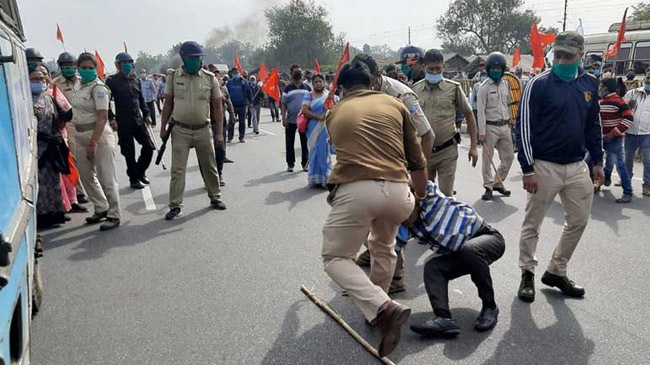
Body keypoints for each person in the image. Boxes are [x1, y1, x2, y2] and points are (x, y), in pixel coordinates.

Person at [322, 60, 428, 358]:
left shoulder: (335, 112)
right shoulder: (396, 105)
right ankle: (378, 313)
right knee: (383, 245)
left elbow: (341, 147)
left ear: (342, 88)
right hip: (398, 191)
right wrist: (419, 199)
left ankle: (384, 306)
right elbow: (417, 160)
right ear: (372, 83)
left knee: (335, 258)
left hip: (358, 190)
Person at [515, 32, 604, 302]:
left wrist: (598, 161)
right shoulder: (538, 84)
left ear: (581, 56)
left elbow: (593, 124)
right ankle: (527, 273)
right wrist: (528, 168)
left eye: (569, 56)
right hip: (544, 166)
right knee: (533, 222)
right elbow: (524, 128)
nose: (562, 60)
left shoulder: (590, 83)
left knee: (578, 221)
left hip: (577, 166)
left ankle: (556, 270)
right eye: (559, 55)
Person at [352, 53, 435, 293]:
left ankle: (396, 278)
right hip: (373, 161)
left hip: (399, 164)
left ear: (376, 77)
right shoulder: (360, 90)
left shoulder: (401, 96)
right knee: (370, 213)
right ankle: (373, 253)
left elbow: (427, 135)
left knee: (392, 221)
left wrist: (416, 175)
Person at [401, 181, 505, 337]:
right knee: (432, 266)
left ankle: (490, 307)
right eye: (399, 218)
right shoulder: (405, 226)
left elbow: (417, 177)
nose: (404, 221)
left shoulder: (429, 197)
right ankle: (443, 318)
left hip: (487, 238)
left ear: (414, 203)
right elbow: (387, 255)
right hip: (460, 252)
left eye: (405, 214)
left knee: (469, 250)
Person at [159, 41, 226, 220]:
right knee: (178, 170)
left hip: (203, 129)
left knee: (210, 166)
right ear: (183, 58)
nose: (196, 61)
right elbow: (168, 103)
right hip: (180, 130)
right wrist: (163, 127)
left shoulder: (209, 78)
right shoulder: (173, 77)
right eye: (192, 58)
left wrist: (219, 132)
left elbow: (218, 107)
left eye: (198, 58)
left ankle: (215, 197)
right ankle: (175, 205)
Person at [412, 49, 479, 197]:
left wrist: (473, 146)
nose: (435, 72)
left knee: (446, 195)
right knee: (423, 196)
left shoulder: (453, 88)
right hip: (424, 153)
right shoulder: (414, 90)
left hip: (447, 152)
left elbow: (469, 115)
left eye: (438, 68)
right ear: (424, 68)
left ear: (444, 67)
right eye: (431, 69)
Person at [71, 52, 122, 231]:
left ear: (96, 69)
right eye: (83, 68)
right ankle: (101, 207)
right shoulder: (79, 86)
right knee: (86, 176)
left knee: (106, 178)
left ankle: (114, 215)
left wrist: (93, 143)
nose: (86, 71)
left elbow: (102, 117)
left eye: (90, 68)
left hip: (98, 136)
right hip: (80, 136)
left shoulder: (99, 88)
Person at [105, 52, 155, 190]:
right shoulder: (112, 81)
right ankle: (133, 179)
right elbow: (106, 102)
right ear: (118, 65)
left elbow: (141, 100)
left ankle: (140, 171)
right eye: (124, 63)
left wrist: (147, 114)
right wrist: (111, 118)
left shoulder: (136, 80)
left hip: (138, 120)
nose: (127, 66)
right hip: (123, 122)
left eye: (129, 63)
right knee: (129, 152)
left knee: (149, 147)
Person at [31, 67, 72, 228]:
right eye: (34, 79)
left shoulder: (49, 98)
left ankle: (55, 213)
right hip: (37, 147)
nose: (39, 82)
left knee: (53, 181)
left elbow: (59, 117)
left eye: (41, 79)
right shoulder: (24, 100)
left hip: (52, 145)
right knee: (40, 183)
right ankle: (41, 217)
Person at [52, 51, 89, 205]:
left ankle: (91, 188)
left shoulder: (83, 82)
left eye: (71, 66)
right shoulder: (54, 84)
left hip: (86, 123)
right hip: (68, 126)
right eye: (65, 66)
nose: (68, 68)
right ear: (60, 67)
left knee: (88, 158)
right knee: (74, 159)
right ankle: (79, 192)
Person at [477, 52, 514, 201]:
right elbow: (480, 110)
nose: (496, 71)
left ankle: (498, 182)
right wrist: (481, 132)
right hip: (490, 127)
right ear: (488, 69)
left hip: (505, 126)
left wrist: (511, 122)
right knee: (488, 159)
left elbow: (508, 104)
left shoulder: (506, 84)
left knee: (509, 157)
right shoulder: (483, 88)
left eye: (499, 68)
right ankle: (488, 186)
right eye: (493, 68)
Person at [594, 77, 633, 202]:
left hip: (613, 139)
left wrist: (613, 133)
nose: (599, 89)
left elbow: (629, 119)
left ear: (605, 88)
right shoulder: (600, 101)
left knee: (620, 165)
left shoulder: (619, 101)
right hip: (600, 138)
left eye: (601, 86)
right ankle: (594, 184)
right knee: (591, 162)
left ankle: (627, 192)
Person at [300, 74, 336, 187]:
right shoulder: (308, 95)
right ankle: (314, 178)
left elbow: (334, 110)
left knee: (324, 151)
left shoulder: (329, 95)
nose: (318, 83)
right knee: (314, 151)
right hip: (313, 126)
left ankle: (326, 178)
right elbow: (304, 110)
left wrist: (331, 99)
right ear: (313, 83)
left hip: (326, 126)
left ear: (324, 82)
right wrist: (317, 116)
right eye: (316, 82)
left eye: (320, 81)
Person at [623, 69, 650, 196]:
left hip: (647, 133)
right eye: (648, 78)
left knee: (648, 160)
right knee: (628, 158)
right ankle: (626, 181)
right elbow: (622, 109)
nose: (649, 81)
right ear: (645, 78)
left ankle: (647, 186)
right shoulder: (632, 93)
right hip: (631, 132)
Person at [282, 64, 311, 172]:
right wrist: (283, 117)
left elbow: (311, 103)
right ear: (291, 73)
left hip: (304, 120)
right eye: (295, 72)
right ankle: (290, 164)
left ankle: (305, 164)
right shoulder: (287, 89)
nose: (298, 73)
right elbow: (283, 104)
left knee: (305, 143)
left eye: (299, 71)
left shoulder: (307, 88)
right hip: (290, 120)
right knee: (290, 143)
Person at [226, 67, 252, 143]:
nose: (236, 74)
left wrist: (251, 102)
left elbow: (249, 92)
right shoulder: (229, 83)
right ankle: (230, 137)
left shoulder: (244, 82)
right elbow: (226, 94)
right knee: (231, 122)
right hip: (233, 106)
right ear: (232, 74)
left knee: (242, 122)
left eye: (237, 73)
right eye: (235, 73)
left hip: (242, 105)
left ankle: (241, 137)